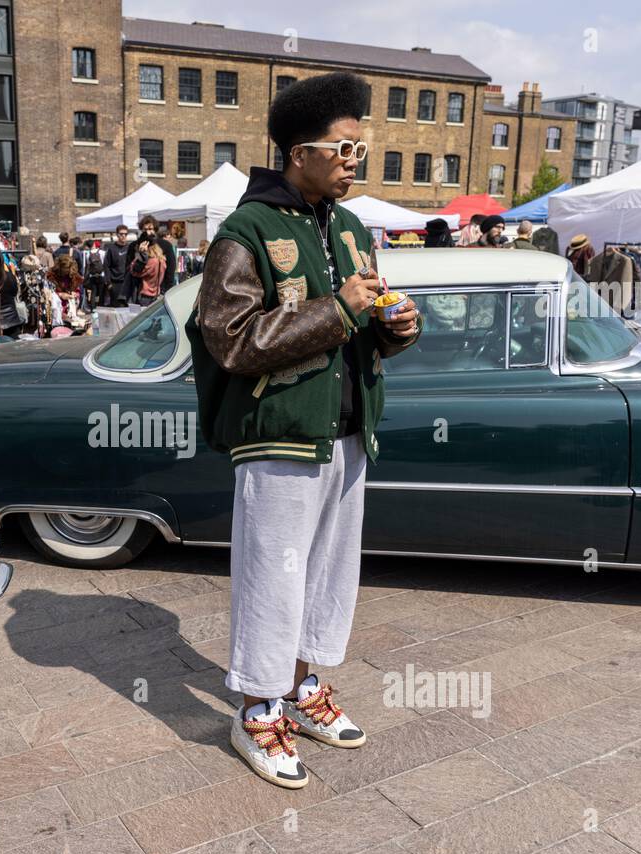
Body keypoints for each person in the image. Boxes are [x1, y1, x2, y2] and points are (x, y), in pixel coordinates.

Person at [187, 71, 422, 789]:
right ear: (299, 152)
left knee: (327, 575)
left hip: (348, 431)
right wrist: (344, 309)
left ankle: (302, 684)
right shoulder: (246, 230)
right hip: (279, 431)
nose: (356, 159)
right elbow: (229, 338)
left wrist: (394, 328)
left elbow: (359, 321)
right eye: (344, 147)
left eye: (360, 147)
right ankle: (257, 709)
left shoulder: (351, 229)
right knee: (273, 580)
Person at [130, 240, 164, 305]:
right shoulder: (162, 261)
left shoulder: (151, 262)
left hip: (146, 294)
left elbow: (135, 273)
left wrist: (138, 256)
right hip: (157, 293)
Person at [104, 225, 132, 305]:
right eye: (121, 234)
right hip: (115, 283)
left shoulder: (130, 248)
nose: (123, 236)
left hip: (128, 282)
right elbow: (106, 266)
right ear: (117, 235)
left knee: (128, 307)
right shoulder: (111, 249)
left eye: (125, 234)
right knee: (117, 307)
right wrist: (109, 283)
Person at [83, 240, 107, 309]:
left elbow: (87, 266)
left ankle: (93, 308)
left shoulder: (88, 254)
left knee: (93, 292)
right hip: (101, 275)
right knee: (101, 292)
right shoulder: (102, 252)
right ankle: (101, 307)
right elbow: (104, 264)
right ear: (94, 244)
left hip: (92, 276)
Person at [155, 224, 178, 291]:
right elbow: (171, 266)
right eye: (169, 236)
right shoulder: (167, 246)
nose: (171, 239)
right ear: (165, 236)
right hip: (164, 284)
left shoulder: (153, 245)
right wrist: (170, 286)